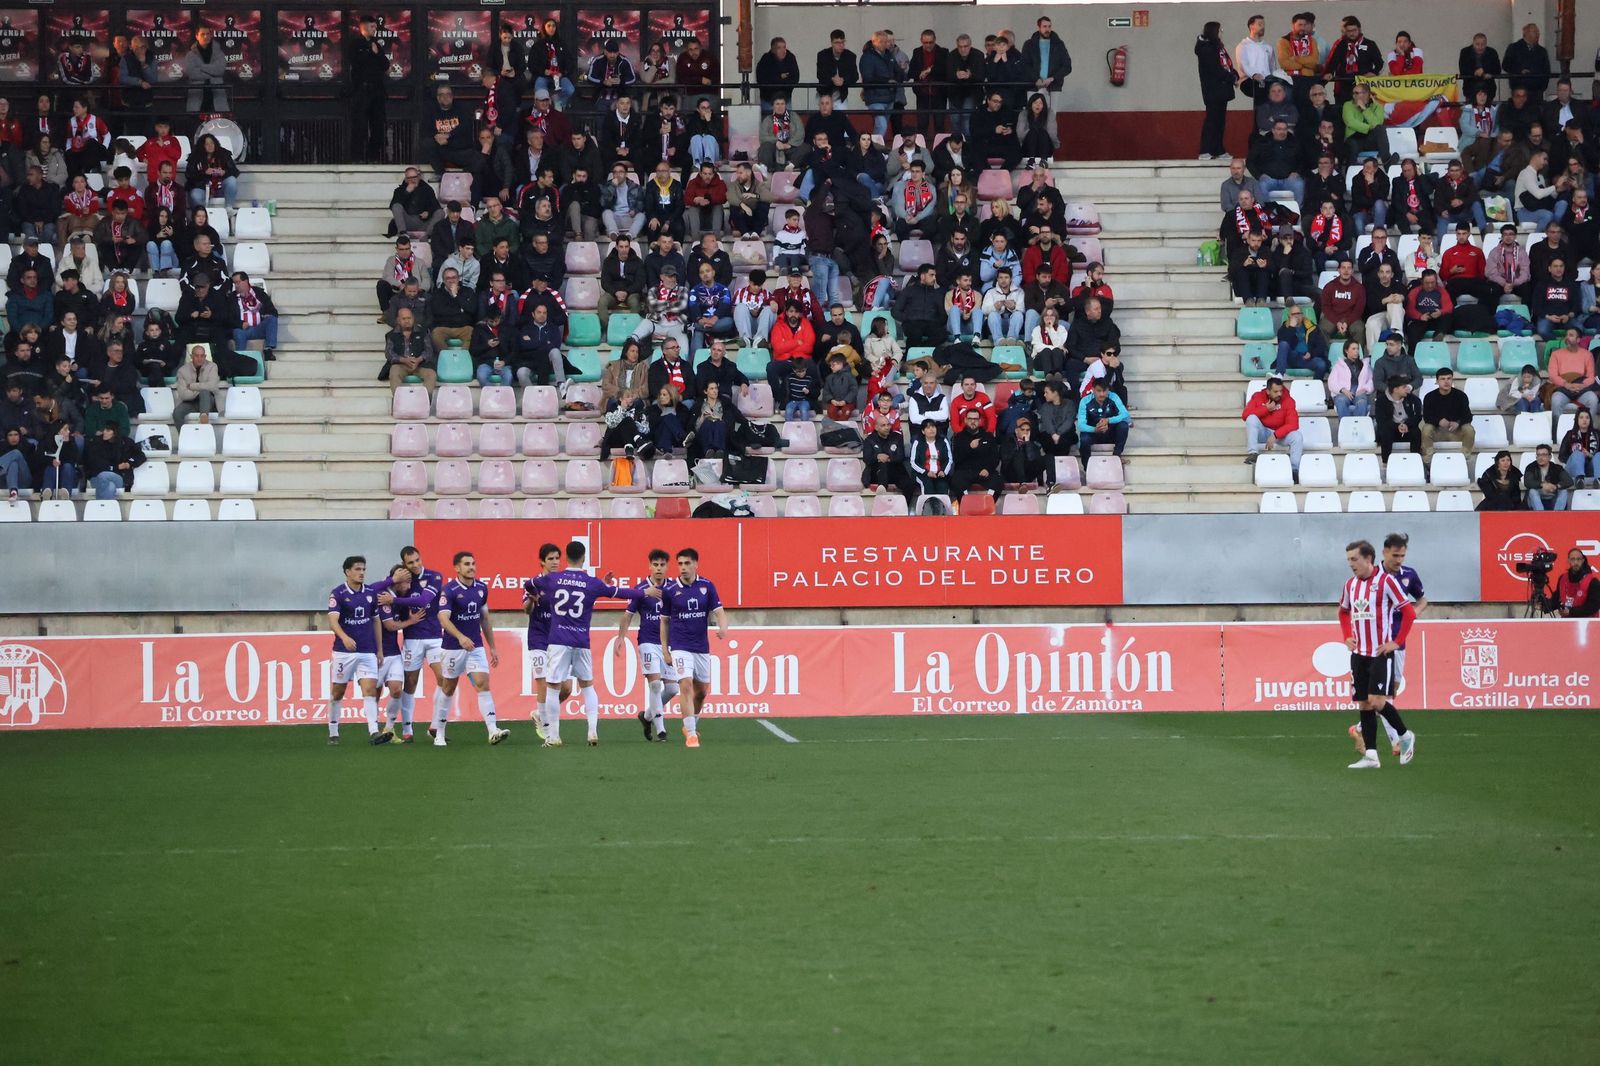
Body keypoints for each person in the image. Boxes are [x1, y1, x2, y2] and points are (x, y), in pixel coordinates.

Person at [1340, 540, 1418, 770]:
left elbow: (1408, 612)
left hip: (1379, 652)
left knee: (1376, 701)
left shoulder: (1386, 582)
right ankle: (1371, 756)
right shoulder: (1350, 585)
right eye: (1349, 560)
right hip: (1359, 654)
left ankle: (1405, 736)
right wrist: (1346, 635)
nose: (1351, 564)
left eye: (1354, 559)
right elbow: (1343, 611)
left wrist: (1396, 642)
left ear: (1368, 559)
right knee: (1364, 704)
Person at [430, 552, 507, 747]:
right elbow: (443, 618)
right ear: (457, 568)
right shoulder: (450, 591)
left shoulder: (481, 588)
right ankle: (439, 733)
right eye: (466, 564)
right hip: (452, 648)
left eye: (473, 563)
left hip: (476, 646)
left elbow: (485, 619)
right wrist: (460, 637)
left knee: (483, 683)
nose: (471, 567)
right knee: (448, 688)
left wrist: (493, 647)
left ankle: (493, 730)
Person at [658, 548, 727, 749]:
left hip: (701, 648)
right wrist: (665, 650)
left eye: (687, 563)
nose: (683, 568)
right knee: (685, 684)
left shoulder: (707, 586)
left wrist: (723, 627)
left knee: (702, 692)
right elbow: (664, 622)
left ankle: (691, 724)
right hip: (680, 647)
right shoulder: (670, 591)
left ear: (696, 565)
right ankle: (691, 735)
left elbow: (719, 611)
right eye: (680, 564)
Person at [326, 557, 388, 746]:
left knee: (369, 689)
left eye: (363, 569)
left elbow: (376, 621)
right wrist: (344, 637)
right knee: (338, 691)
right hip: (344, 652)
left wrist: (379, 649)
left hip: (367, 650)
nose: (361, 572)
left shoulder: (370, 592)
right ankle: (333, 731)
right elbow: (333, 620)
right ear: (347, 572)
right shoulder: (338, 593)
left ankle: (374, 732)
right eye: (357, 569)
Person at [1196, 22, 1242, 161]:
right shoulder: (1206, 49)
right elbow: (1215, 69)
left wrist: (1235, 74)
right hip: (1213, 90)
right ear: (1214, 31)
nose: (1222, 32)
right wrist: (1231, 78)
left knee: (1220, 121)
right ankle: (1205, 150)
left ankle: (1218, 149)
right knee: (1212, 120)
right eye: (1220, 30)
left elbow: (1226, 64)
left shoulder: (1218, 47)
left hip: (1222, 90)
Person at [1242, 376, 1303, 474]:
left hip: (1280, 435)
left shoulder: (1288, 400)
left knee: (1297, 436)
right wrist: (1266, 409)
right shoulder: (1258, 396)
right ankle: (1253, 453)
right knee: (1251, 418)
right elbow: (1245, 415)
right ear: (1268, 391)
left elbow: (1293, 424)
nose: (1279, 394)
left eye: (1280, 391)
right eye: (1275, 391)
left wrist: (1275, 435)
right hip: (1263, 432)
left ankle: (1294, 470)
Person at [349, 14, 389, 164]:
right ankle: (357, 157)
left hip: (377, 90)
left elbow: (385, 65)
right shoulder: (355, 44)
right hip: (362, 90)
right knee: (360, 125)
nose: (375, 29)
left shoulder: (376, 44)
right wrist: (369, 53)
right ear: (364, 27)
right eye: (372, 27)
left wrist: (377, 53)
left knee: (378, 125)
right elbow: (356, 63)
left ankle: (373, 157)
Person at [1420, 368, 1475, 463]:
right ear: (1437, 381)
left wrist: (1458, 423)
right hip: (1437, 431)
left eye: (1449, 378)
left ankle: (1465, 456)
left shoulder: (1461, 396)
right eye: (1443, 379)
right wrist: (1439, 421)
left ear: (1452, 379)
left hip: (1456, 431)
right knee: (1426, 429)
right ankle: (1429, 457)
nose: (1446, 382)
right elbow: (1427, 417)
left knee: (1469, 429)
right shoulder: (1429, 397)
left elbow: (1468, 415)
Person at [1547, 327, 1599, 424]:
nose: (1567, 337)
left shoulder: (1587, 355)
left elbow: (1591, 376)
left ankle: (1588, 432)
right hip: (1562, 388)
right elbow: (1552, 375)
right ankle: (1556, 433)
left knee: (1593, 400)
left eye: (1571, 335)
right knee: (1556, 400)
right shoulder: (1556, 354)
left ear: (1578, 339)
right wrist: (1566, 384)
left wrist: (1581, 385)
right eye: (1566, 335)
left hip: (1582, 388)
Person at [1076, 376, 1130, 464]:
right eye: (1099, 391)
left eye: (1105, 391)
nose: (1102, 394)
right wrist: (1095, 429)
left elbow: (1124, 414)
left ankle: (1117, 455)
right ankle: (1087, 466)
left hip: (1110, 432)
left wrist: (1108, 420)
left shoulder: (1114, 397)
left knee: (1123, 425)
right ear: (1093, 389)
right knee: (1084, 438)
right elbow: (1081, 425)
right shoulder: (1085, 401)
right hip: (1093, 433)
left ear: (1108, 390)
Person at [172, 343, 223, 425]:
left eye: (202, 356)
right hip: (191, 402)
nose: (200, 358)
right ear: (191, 356)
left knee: (204, 393)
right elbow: (183, 394)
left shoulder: (212, 366)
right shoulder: (182, 370)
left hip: (209, 401)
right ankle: (183, 436)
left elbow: (212, 386)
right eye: (197, 356)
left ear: (205, 356)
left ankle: (203, 419)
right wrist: (202, 388)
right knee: (177, 413)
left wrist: (192, 386)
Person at [1274, 304, 1329, 379]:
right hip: (1291, 358)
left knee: (1321, 364)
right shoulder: (1284, 328)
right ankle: (1279, 375)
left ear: (1302, 315)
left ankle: (1315, 386)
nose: (1296, 316)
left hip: (1308, 358)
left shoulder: (1312, 327)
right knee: (1283, 344)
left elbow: (1321, 346)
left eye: (1298, 313)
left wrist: (1311, 353)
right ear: (1289, 316)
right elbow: (1283, 345)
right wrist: (1291, 328)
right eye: (1293, 314)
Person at [1403, 270, 1455, 346]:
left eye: (1432, 283)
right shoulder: (1415, 291)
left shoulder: (1442, 291)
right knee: (1412, 330)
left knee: (1449, 317)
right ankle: (1412, 354)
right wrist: (1420, 316)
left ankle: (1439, 334)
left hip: (1437, 318)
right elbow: (1409, 309)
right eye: (1427, 283)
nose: (1430, 285)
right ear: (1422, 281)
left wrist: (1440, 312)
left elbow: (1449, 307)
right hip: (1421, 319)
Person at [1373, 379, 1421, 461]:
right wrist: (1397, 426)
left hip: (1407, 428)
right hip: (1391, 428)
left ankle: (1415, 460)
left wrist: (1407, 424)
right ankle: (1386, 462)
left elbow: (1417, 417)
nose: (1407, 389)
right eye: (1404, 387)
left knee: (1416, 432)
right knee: (1385, 432)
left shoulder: (1413, 399)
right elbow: (1381, 420)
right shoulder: (1381, 400)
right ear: (1395, 389)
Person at [1503, 23, 1550, 97]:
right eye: (1535, 32)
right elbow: (1506, 65)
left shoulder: (1542, 51)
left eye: (1538, 32)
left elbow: (1546, 70)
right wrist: (1519, 71)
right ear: (1527, 33)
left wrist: (1543, 87)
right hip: (1519, 89)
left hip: (1537, 91)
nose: (1538, 34)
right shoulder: (1514, 48)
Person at [1525, 444, 1574, 511]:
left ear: (1550, 457)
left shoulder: (1556, 468)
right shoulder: (1531, 467)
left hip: (1553, 494)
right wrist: (1542, 485)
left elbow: (1569, 481)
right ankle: (1541, 515)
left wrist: (1556, 486)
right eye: (1538, 455)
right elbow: (1527, 482)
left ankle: (1557, 516)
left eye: (1544, 455)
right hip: (1537, 494)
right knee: (1532, 491)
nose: (1540, 458)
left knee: (1563, 491)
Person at [816, 29, 858, 107]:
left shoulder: (850, 56)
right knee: (824, 118)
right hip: (824, 94)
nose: (841, 45)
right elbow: (820, 74)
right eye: (837, 43)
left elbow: (855, 76)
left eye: (843, 42)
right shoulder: (823, 55)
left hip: (841, 97)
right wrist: (832, 79)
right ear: (832, 43)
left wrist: (843, 80)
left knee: (841, 118)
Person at [1554, 549, 1600, 618]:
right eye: (1572, 559)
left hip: (1588, 623)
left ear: (1583, 560)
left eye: (1578, 559)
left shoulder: (1593, 581)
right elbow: (1556, 598)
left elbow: (1594, 606)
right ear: (1568, 561)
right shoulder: (1562, 578)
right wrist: (1545, 605)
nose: (1576, 562)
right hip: (1566, 623)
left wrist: (1571, 612)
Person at [1559, 409, 1599, 488]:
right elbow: (1561, 456)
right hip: (1573, 468)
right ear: (1577, 420)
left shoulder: (1597, 434)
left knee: (1599, 455)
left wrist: (1590, 455)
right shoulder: (1570, 434)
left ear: (1590, 420)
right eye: (1581, 417)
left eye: (1587, 417)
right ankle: (1579, 480)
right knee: (1578, 454)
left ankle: (1598, 480)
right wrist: (1577, 459)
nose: (1584, 420)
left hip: (1591, 468)